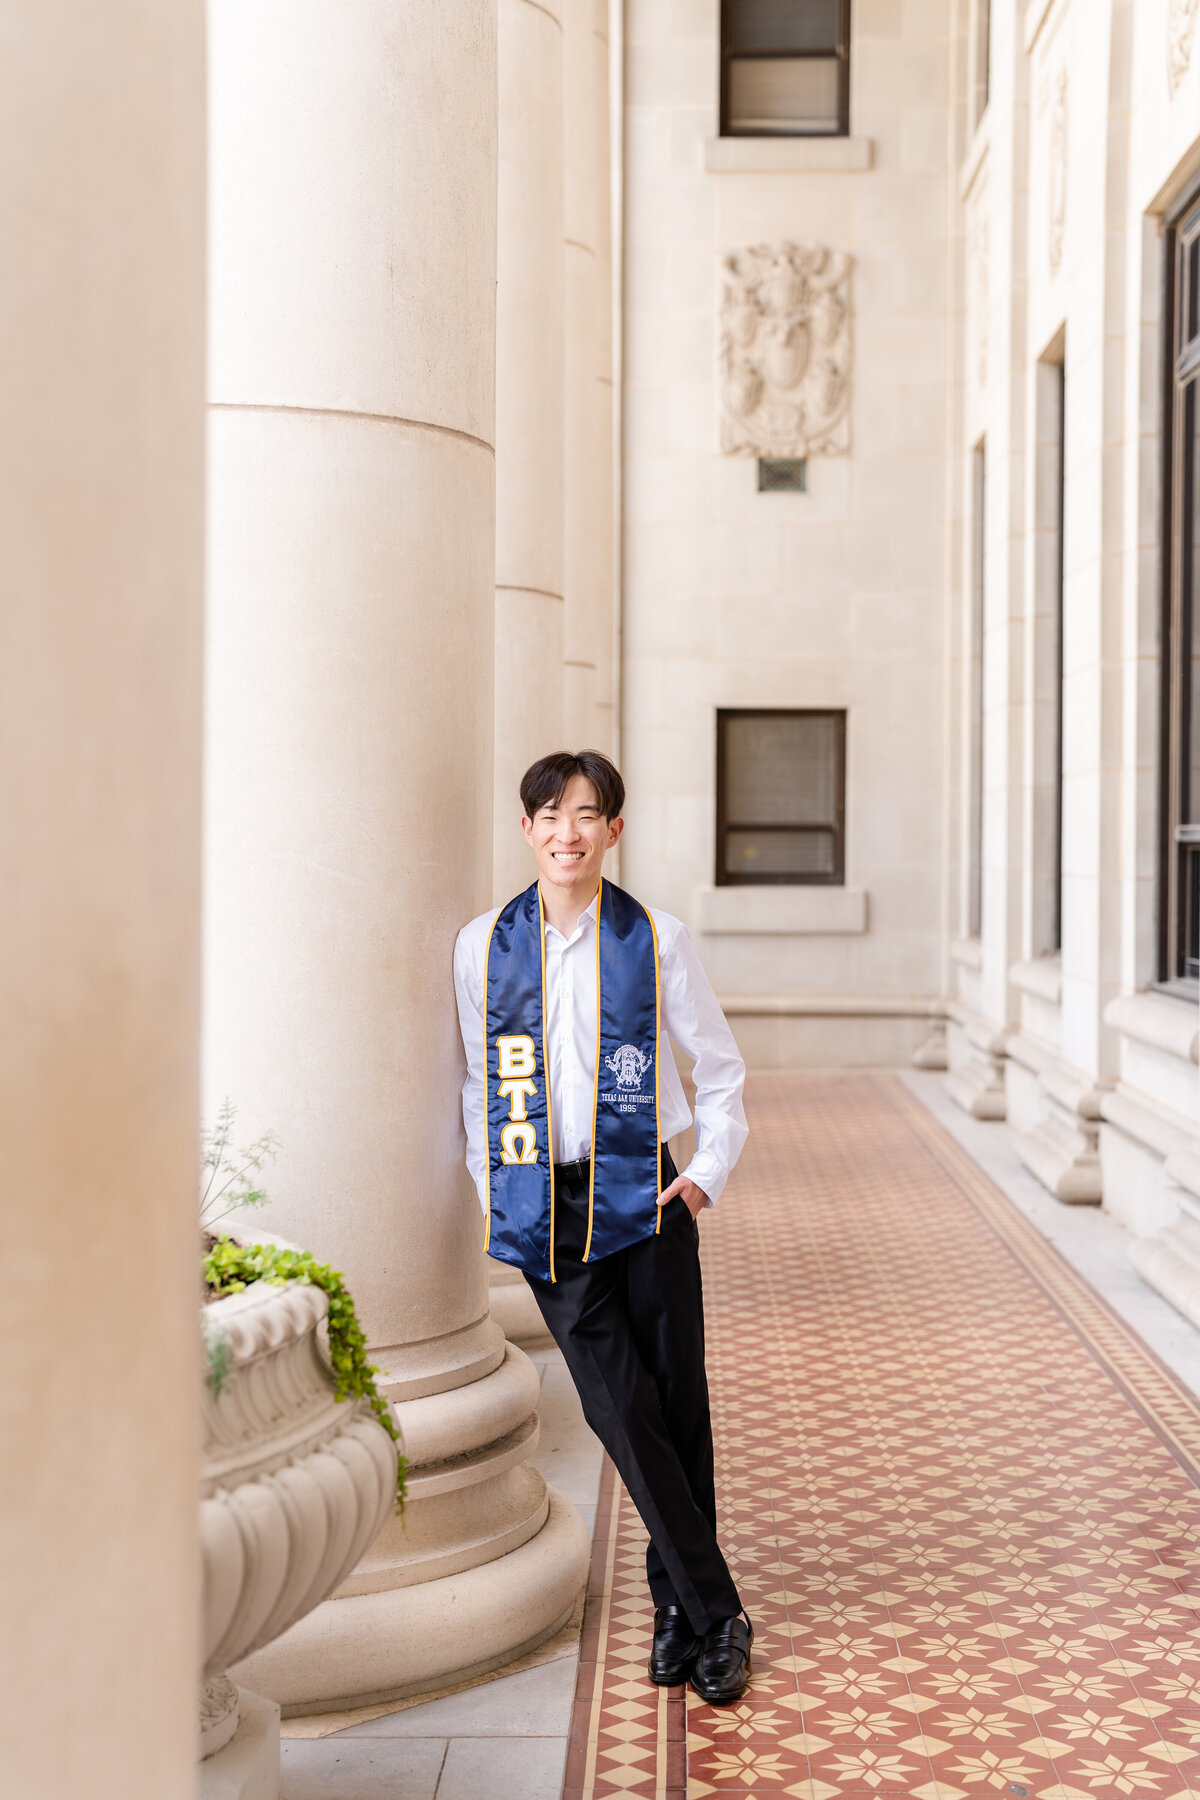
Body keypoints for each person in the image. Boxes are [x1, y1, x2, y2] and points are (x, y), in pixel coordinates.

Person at [452, 748, 752, 1705]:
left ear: (613, 830)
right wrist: (491, 1179)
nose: (566, 832)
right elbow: (473, 1084)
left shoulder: (657, 938)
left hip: (648, 1195)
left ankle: (680, 1608)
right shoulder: (481, 946)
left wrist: (701, 1176)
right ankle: (720, 1610)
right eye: (548, 814)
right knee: (617, 1406)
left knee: (674, 1398)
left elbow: (721, 1068)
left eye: (586, 815)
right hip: (544, 1202)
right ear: (528, 829)